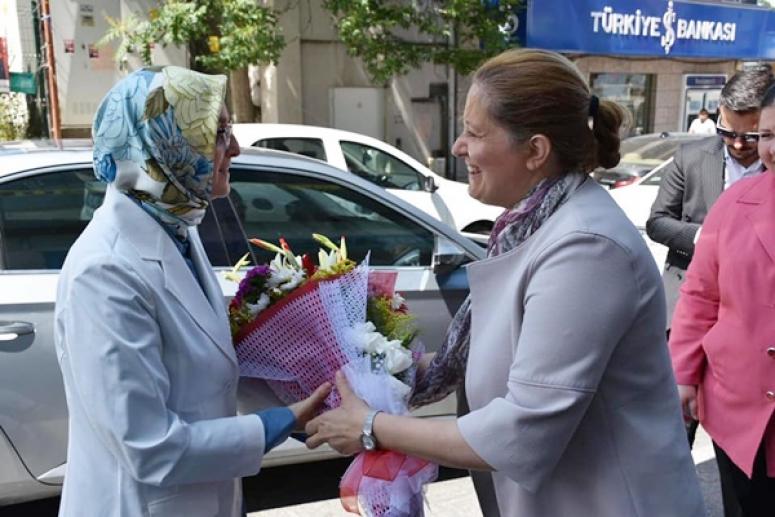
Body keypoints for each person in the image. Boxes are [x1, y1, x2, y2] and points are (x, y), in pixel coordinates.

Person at [304, 49, 705, 517]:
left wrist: (373, 425)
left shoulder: (587, 247)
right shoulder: (531, 224)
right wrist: (380, 369)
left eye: (474, 133)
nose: (457, 148)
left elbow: (521, 431)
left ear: (535, 150)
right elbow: (506, 356)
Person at [54, 67, 331, 517]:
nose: (235, 149)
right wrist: (278, 423)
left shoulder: (176, 228)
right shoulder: (104, 270)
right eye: (219, 133)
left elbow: (208, 372)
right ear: (167, 145)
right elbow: (148, 446)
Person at [646, 65, 773, 450]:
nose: (737, 144)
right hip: (688, 306)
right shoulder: (690, 156)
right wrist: (709, 238)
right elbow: (657, 222)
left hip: (746, 335)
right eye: (727, 132)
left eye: (752, 135)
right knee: (671, 435)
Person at [669, 84, 775, 517]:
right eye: (768, 135)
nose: (773, 149)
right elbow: (699, 295)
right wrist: (683, 376)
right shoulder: (734, 204)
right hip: (739, 411)